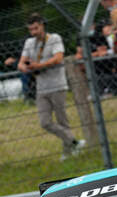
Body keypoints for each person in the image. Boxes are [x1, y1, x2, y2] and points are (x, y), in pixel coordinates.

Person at [18, 13, 85, 161]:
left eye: (36, 28)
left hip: (57, 85)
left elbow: (58, 58)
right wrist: (25, 68)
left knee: (62, 121)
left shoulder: (54, 38)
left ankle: (68, 152)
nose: (33, 32)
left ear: (42, 25)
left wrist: (39, 65)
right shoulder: (29, 42)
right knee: (45, 122)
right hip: (41, 87)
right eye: (31, 29)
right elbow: (21, 62)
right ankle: (74, 142)